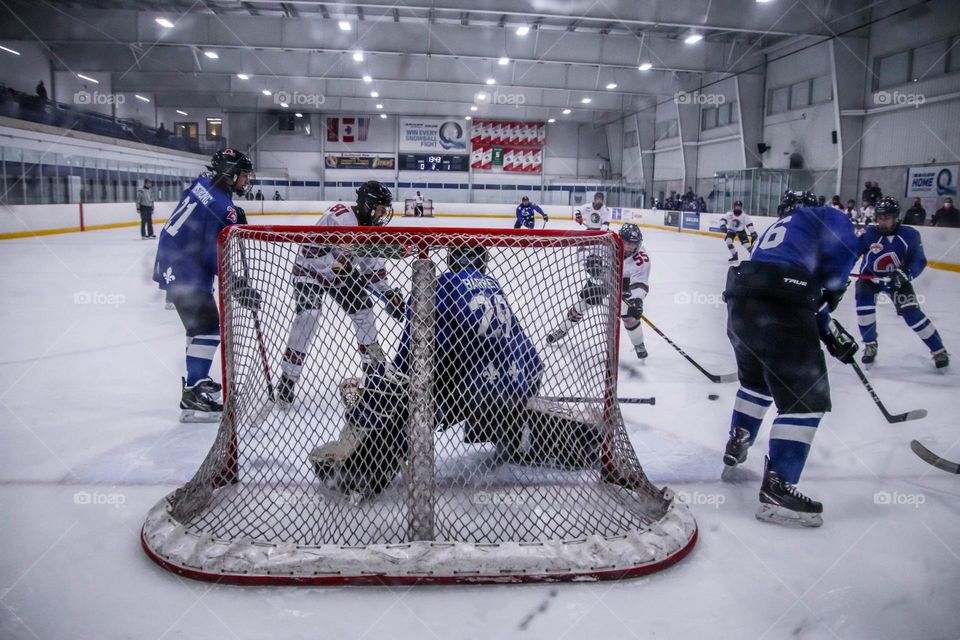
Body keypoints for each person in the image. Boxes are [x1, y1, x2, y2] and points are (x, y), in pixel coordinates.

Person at [307, 244, 600, 498]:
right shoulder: (493, 286)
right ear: (482, 261)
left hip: (469, 393)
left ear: (451, 259)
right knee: (481, 383)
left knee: (398, 399)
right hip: (515, 389)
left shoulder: (442, 284)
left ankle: (361, 473)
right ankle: (522, 433)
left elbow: (418, 351)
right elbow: (532, 357)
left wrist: (391, 383)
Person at [721, 190, 860, 527]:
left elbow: (793, 284)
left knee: (757, 383)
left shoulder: (774, 232)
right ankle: (778, 492)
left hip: (741, 303)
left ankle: (738, 438)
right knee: (804, 400)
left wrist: (823, 325)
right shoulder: (822, 215)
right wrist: (833, 295)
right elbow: (845, 251)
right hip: (779, 306)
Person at [277, 180, 405, 407]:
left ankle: (373, 371)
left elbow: (373, 272)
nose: (384, 214)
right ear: (367, 205)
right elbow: (311, 252)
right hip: (310, 272)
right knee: (309, 315)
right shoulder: (339, 217)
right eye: (380, 208)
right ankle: (288, 378)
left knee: (365, 312)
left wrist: (388, 295)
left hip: (341, 276)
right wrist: (343, 269)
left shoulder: (371, 230)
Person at [153, 148, 257, 422]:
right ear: (231, 174)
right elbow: (212, 255)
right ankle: (193, 396)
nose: (246, 181)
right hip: (188, 269)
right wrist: (236, 285)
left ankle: (196, 385)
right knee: (209, 328)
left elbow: (203, 211)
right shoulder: (224, 208)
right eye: (244, 175)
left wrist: (231, 212)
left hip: (171, 259)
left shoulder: (202, 183)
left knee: (197, 329)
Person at [855, 197, 948, 370]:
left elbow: (919, 260)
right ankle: (870, 344)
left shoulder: (910, 234)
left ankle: (938, 350)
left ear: (896, 217)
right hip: (870, 278)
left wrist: (905, 274)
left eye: (887, 217)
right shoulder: (867, 234)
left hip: (898, 279)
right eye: (880, 217)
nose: (883, 221)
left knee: (912, 314)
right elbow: (851, 253)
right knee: (863, 309)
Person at [545, 224, 650, 360]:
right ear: (620, 239)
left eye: (634, 244)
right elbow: (583, 249)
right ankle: (563, 329)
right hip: (603, 276)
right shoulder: (607, 240)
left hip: (626, 284)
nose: (631, 247)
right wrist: (590, 262)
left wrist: (637, 300)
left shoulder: (641, 258)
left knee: (629, 315)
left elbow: (640, 282)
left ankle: (638, 344)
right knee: (582, 305)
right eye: (627, 243)